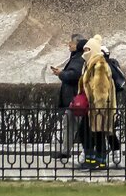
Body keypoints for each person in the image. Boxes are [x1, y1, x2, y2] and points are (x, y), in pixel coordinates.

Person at [77, 34, 117, 171]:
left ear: (93, 50)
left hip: (98, 107)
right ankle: (95, 160)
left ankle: (98, 161)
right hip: (92, 107)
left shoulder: (98, 65)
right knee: (91, 133)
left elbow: (101, 88)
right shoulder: (90, 64)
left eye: (87, 50)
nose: (84, 53)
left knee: (96, 133)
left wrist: (98, 108)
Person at [50, 33, 86, 160]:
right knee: (69, 124)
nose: (69, 45)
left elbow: (75, 75)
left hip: (76, 100)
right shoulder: (75, 57)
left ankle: (87, 152)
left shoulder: (79, 59)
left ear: (78, 45)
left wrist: (61, 73)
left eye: (71, 43)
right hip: (73, 100)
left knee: (81, 127)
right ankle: (66, 151)